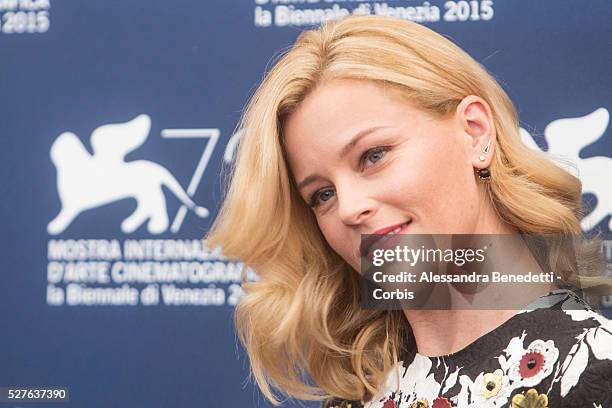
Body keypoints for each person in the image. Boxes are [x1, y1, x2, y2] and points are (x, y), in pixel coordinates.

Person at [205, 15, 612, 408]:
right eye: (322, 194)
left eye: (373, 156)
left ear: (474, 132)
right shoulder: (362, 391)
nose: (349, 207)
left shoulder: (594, 366)